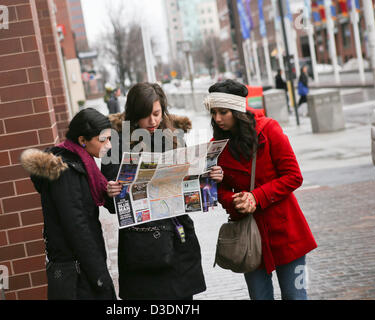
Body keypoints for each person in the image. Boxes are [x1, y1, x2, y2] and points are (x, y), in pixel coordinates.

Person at [204, 79, 317, 300]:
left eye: (223, 112)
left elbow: (294, 176)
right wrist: (234, 201)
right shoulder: (216, 145)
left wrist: (257, 196)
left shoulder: (269, 129)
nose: (217, 119)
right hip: (250, 237)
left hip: (287, 232)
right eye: (214, 112)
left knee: (296, 296)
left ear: (237, 110)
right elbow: (220, 189)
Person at [102, 82, 207, 300]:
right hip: (142, 244)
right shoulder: (116, 143)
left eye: (157, 113)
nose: (152, 121)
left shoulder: (174, 136)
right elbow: (112, 204)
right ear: (133, 114)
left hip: (178, 236)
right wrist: (110, 192)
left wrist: (207, 179)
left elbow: (189, 185)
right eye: (145, 115)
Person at [20, 108, 117, 300]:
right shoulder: (67, 172)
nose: (109, 145)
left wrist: (107, 192)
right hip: (76, 272)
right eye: (103, 139)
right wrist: (100, 276)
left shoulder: (82, 163)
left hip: (80, 267)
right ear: (83, 140)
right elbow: (78, 228)